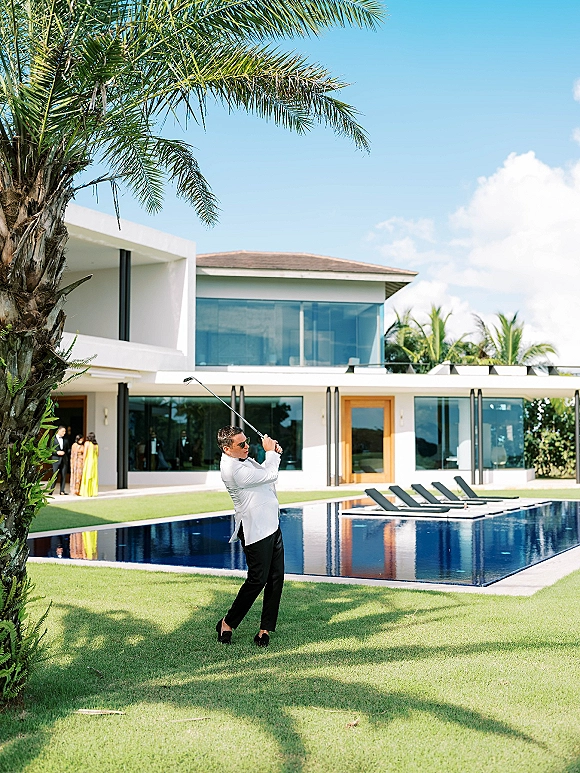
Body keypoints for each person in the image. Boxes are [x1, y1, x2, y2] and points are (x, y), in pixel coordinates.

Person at [215, 425, 284, 648]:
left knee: (275, 578)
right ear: (227, 449)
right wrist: (271, 452)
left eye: (247, 442)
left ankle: (264, 629)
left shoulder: (244, 461)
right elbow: (270, 473)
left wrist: (273, 454)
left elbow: (265, 476)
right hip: (255, 529)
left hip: (272, 524)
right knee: (257, 580)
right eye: (241, 444)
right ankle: (227, 623)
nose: (247, 447)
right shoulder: (233, 470)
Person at [51, 426, 70, 495]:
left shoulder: (66, 440)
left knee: (63, 475)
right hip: (55, 459)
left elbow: (68, 449)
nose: (64, 433)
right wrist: (56, 452)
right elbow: (49, 449)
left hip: (64, 459)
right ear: (58, 431)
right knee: (54, 475)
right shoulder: (53, 439)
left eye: (65, 431)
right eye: (63, 431)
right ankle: (51, 490)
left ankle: (62, 490)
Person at [79, 432, 99, 497]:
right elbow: (98, 454)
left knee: (87, 476)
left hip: (88, 461)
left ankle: (86, 492)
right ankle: (93, 492)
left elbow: (85, 453)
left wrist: (83, 462)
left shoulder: (87, 443)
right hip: (94, 462)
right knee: (93, 477)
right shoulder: (96, 445)